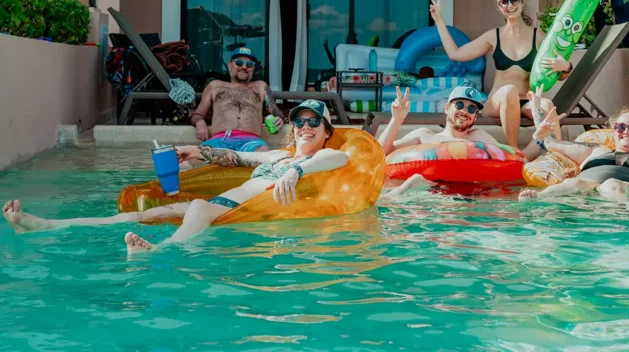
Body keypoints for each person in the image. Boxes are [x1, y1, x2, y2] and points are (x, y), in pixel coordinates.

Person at [3, 100, 349, 254]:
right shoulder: (276, 155)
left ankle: (157, 252)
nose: (305, 127)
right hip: (222, 205)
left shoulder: (322, 156)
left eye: (313, 122)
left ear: (325, 129)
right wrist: (195, 151)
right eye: (299, 122)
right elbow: (235, 157)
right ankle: (46, 225)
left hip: (240, 211)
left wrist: (299, 169)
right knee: (138, 215)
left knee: (196, 207)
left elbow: (341, 156)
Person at [428, 0, 573, 148]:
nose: (510, 5)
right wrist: (439, 21)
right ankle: (514, 152)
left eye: (514, 0)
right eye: (504, 2)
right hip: (498, 102)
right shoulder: (494, 36)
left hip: (526, 102)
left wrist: (566, 66)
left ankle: (557, 155)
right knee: (508, 91)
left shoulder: (539, 37)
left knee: (548, 104)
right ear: (499, 7)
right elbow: (456, 53)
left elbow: (561, 74)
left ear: (522, 1)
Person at [190, 47, 286, 153]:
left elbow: (276, 112)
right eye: (239, 63)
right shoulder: (215, 86)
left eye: (249, 65)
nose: (244, 67)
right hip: (220, 140)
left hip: (252, 142)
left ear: (253, 69)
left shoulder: (260, 87)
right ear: (230, 65)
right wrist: (200, 122)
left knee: (264, 156)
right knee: (194, 159)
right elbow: (197, 114)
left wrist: (279, 119)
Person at [378, 85, 499, 156]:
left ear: (475, 117)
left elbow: (508, 157)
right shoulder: (424, 136)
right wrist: (396, 119)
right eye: (459, 105)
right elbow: (381, 154)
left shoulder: (479, 136)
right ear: (447, 108)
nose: (464, 111)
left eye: (472, 109)